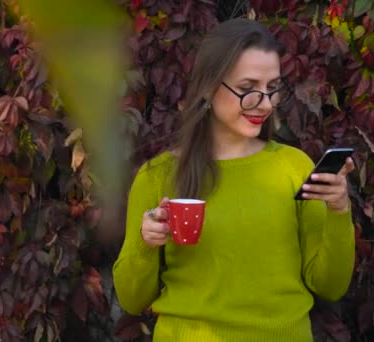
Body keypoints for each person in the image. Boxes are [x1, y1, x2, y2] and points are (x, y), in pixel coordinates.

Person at [112, 18, 355, 341]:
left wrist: (339, 211)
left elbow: (330, 285)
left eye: (272, 88)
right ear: (208, 88)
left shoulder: (294, 167)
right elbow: (131, 299)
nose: (265, 103)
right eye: (247, 89)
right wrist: (146, 243)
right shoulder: (157, 176)